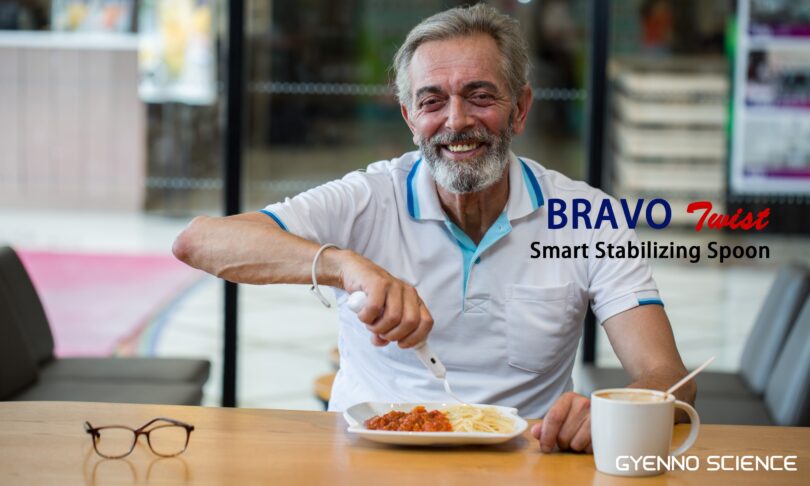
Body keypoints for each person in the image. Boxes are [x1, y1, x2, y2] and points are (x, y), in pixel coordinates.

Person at [173, 4, 695, 453]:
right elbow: (198, 241)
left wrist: (614, 411)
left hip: (525, 461)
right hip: (368, 458)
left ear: (521, 109)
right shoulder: (368, 198)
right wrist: (345, 267)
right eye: (432, 101)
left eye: (480, 96)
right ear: (408, 115)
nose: (456, 120)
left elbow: (671, 377)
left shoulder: (586, 216)